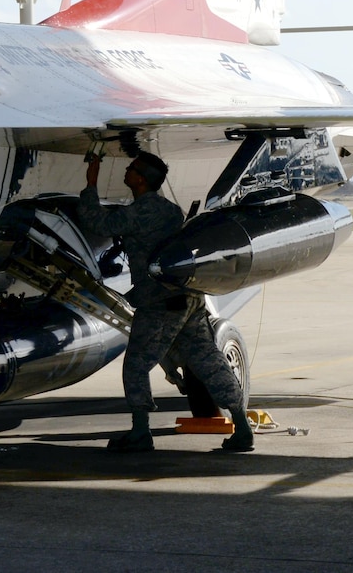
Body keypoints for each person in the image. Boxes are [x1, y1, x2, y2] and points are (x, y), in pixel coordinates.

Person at [72, 151, 253, 455]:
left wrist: (91, 180)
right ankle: (242, 427)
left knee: (136, 365)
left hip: (160, 303)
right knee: (208, 360)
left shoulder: (139, 213)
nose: (126, 172)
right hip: (188, 298)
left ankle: (141, 432)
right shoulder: (170, 210)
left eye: (131, 169)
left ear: (140, 180)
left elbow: (96, 221)